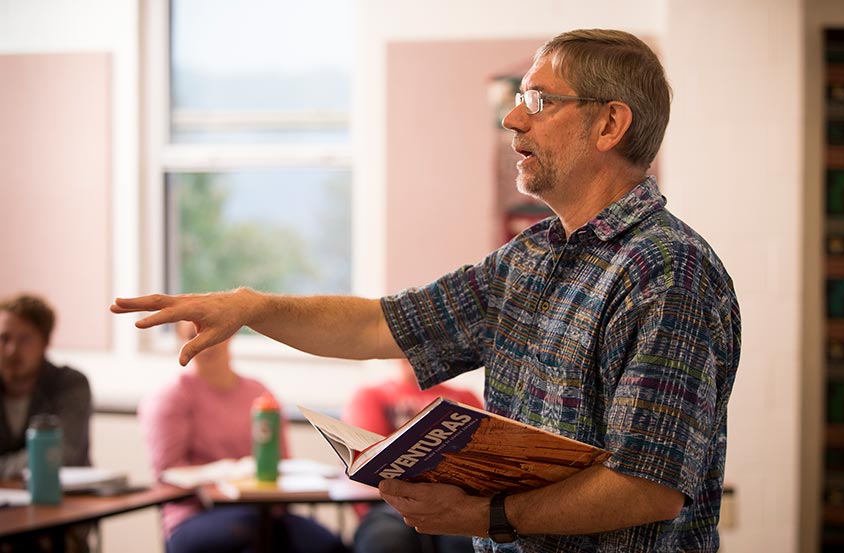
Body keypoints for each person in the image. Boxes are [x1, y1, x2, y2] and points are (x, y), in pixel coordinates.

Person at [112, 28, 742, 553]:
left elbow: (647, 485)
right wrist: (253, 307)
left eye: (540, 100)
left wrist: (485, 516)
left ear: (610, 124)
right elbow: (379, 325)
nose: (512, 116)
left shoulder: (669, 274)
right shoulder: (530, 259)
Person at [137, 321, 347, 553]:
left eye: (210, 333)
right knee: (257, 537)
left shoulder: (258, 393)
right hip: (196, 516)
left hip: (265, 511)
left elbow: (282, 461)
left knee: (329, 545)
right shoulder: (169, 398)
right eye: (191, 335)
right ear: (180, 341)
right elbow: (168, 474)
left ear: (229, 333)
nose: (203, 343)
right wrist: (225, 474)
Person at [344, 360, 482, 553]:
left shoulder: (465, 397)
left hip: (459, 504)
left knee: (466, 542)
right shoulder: (371, 397)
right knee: (386, 541)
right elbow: (363, 466)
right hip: (390, 507)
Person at [0, 293, 93, 553]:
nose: (12, 350)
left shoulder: (70, 384)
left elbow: (62, 454)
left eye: (25, 339)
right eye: (4, 338)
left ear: (45, 342)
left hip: (62, 513)